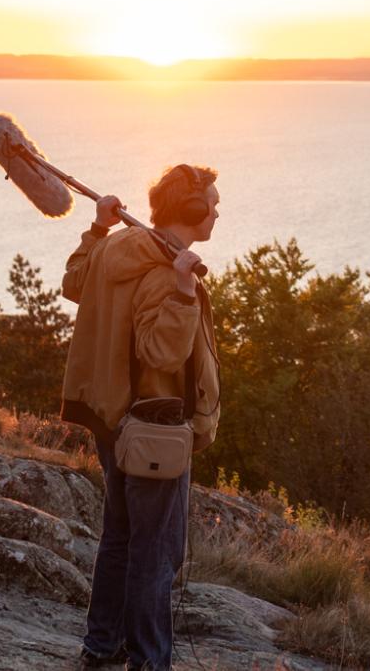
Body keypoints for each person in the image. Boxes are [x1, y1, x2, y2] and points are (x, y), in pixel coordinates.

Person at [59, 164, 223, 670]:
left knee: (121, 537)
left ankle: (102, 645)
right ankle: (150, 660)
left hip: (113, 416)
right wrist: (182, 290)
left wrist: (98, 227)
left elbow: (74, 282)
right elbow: (162, 355)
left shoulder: (114, 249)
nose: (217, 211)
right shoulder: (161, 271)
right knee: (155, 552)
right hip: (154, 426)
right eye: (211, 204)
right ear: (191, 211)